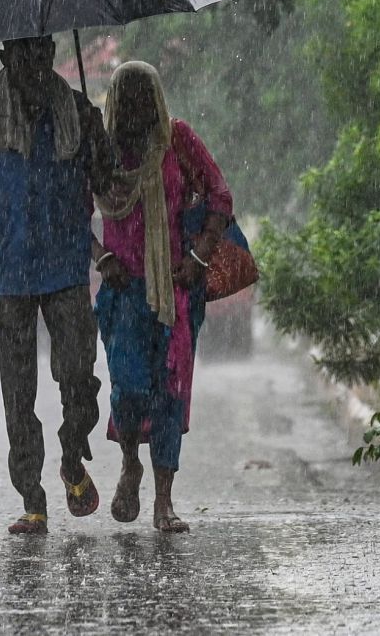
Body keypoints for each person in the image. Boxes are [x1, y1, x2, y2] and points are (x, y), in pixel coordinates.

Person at [0, 35, 113, 535]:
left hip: (66, 266)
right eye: (24, 56)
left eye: (42, 55)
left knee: (79, 376)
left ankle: (71, 456)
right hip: (9, 271)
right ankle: (32, 497)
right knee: (18, 392)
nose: (35, 65)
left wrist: (97, 138)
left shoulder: (78, 112)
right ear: (6, 58)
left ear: (52, 54)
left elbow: (105, 181)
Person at [92, 61, 233, 533]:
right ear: (116, 103)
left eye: (144, 98)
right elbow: (72, 208)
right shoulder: (100, 149)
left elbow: (219, 196)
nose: (137, 109)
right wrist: (101, 257)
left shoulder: (177, 140)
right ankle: (130, 462)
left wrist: (198, 257)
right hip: (122, 293)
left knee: (169, 394)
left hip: (175, 290)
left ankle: (164, 501)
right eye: (127, 98)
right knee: (128, 389)